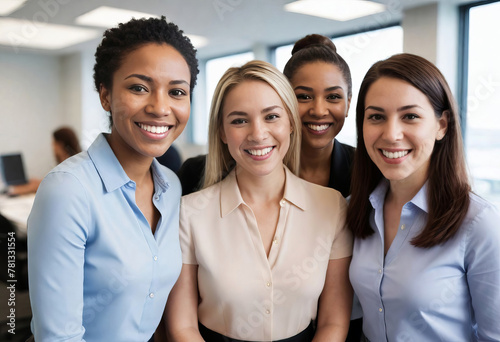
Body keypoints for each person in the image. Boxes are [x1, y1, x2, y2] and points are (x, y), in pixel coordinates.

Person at [27, 16, 198, 342]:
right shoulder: (68, 190)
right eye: (139, 87)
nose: (161, 107)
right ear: (105, 95)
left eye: (177, 91)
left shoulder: (172, 187)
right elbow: (58, 337)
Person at [165, 60, 353, 341]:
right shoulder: (189, 214)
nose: (257, 134)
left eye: (271, 117)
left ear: (291, 121)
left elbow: (333, 323)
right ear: (221, 132)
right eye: (239, 120)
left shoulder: (332, 206)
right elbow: (182, 327)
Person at [347, 53, 500, 341]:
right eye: (376, 116)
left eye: (410, 116)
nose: (392, 134)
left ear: (442, 125)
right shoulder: (353, 210)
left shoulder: (479, 224)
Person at [6, 126, 82, 196]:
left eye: (54, 143)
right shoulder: (74, 162)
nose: (52, 146)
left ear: (60, 144)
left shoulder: (71, 166)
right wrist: (39, 182)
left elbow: (57, 186)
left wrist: (35, 186)